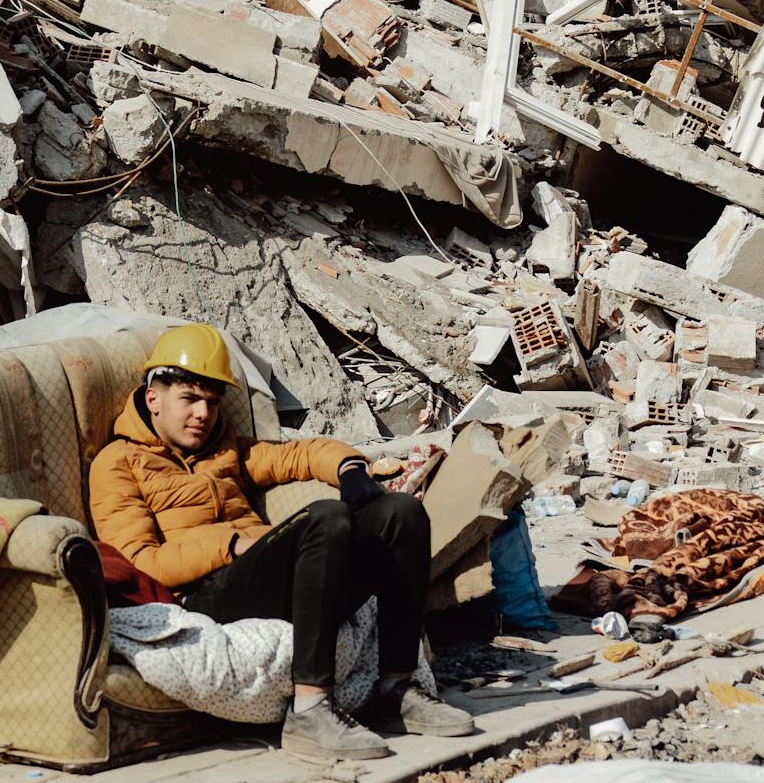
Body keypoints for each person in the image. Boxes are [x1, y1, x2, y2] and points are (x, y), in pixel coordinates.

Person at [88, 323, 477, 762]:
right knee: (325, 519)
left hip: (274, 583)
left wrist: (350, 469)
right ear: (153, 397)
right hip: (205, 595)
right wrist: (232, 545)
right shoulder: (118, 463)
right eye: (190, 399)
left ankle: (397, 689)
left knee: (401, 514)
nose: (203, 414)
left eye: (212, 403)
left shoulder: (225, 450)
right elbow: (142, 563)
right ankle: (310, 710)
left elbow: (299, 454)